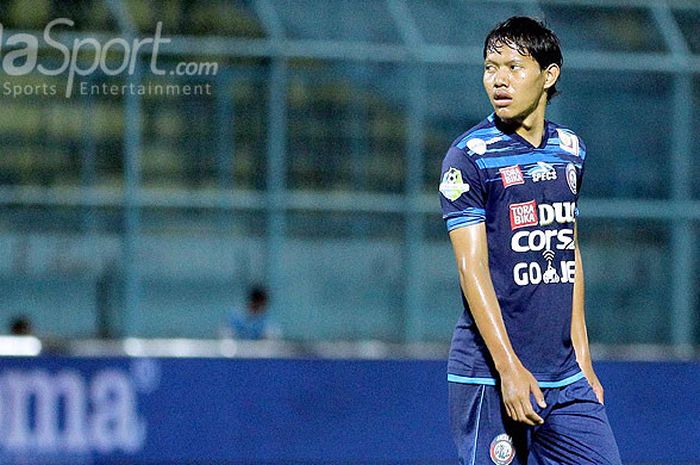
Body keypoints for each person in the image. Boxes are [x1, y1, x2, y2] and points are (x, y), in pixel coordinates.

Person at [439, 17, 621, 465]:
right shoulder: (469, 157)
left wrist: (583, 359)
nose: (498, 79)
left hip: (565, 378)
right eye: (489, 67)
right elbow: (471, 269)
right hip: (491, 374)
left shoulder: (571, 150)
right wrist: (508, 369)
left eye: (513, 67)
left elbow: (567, 252)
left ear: (549, 75)